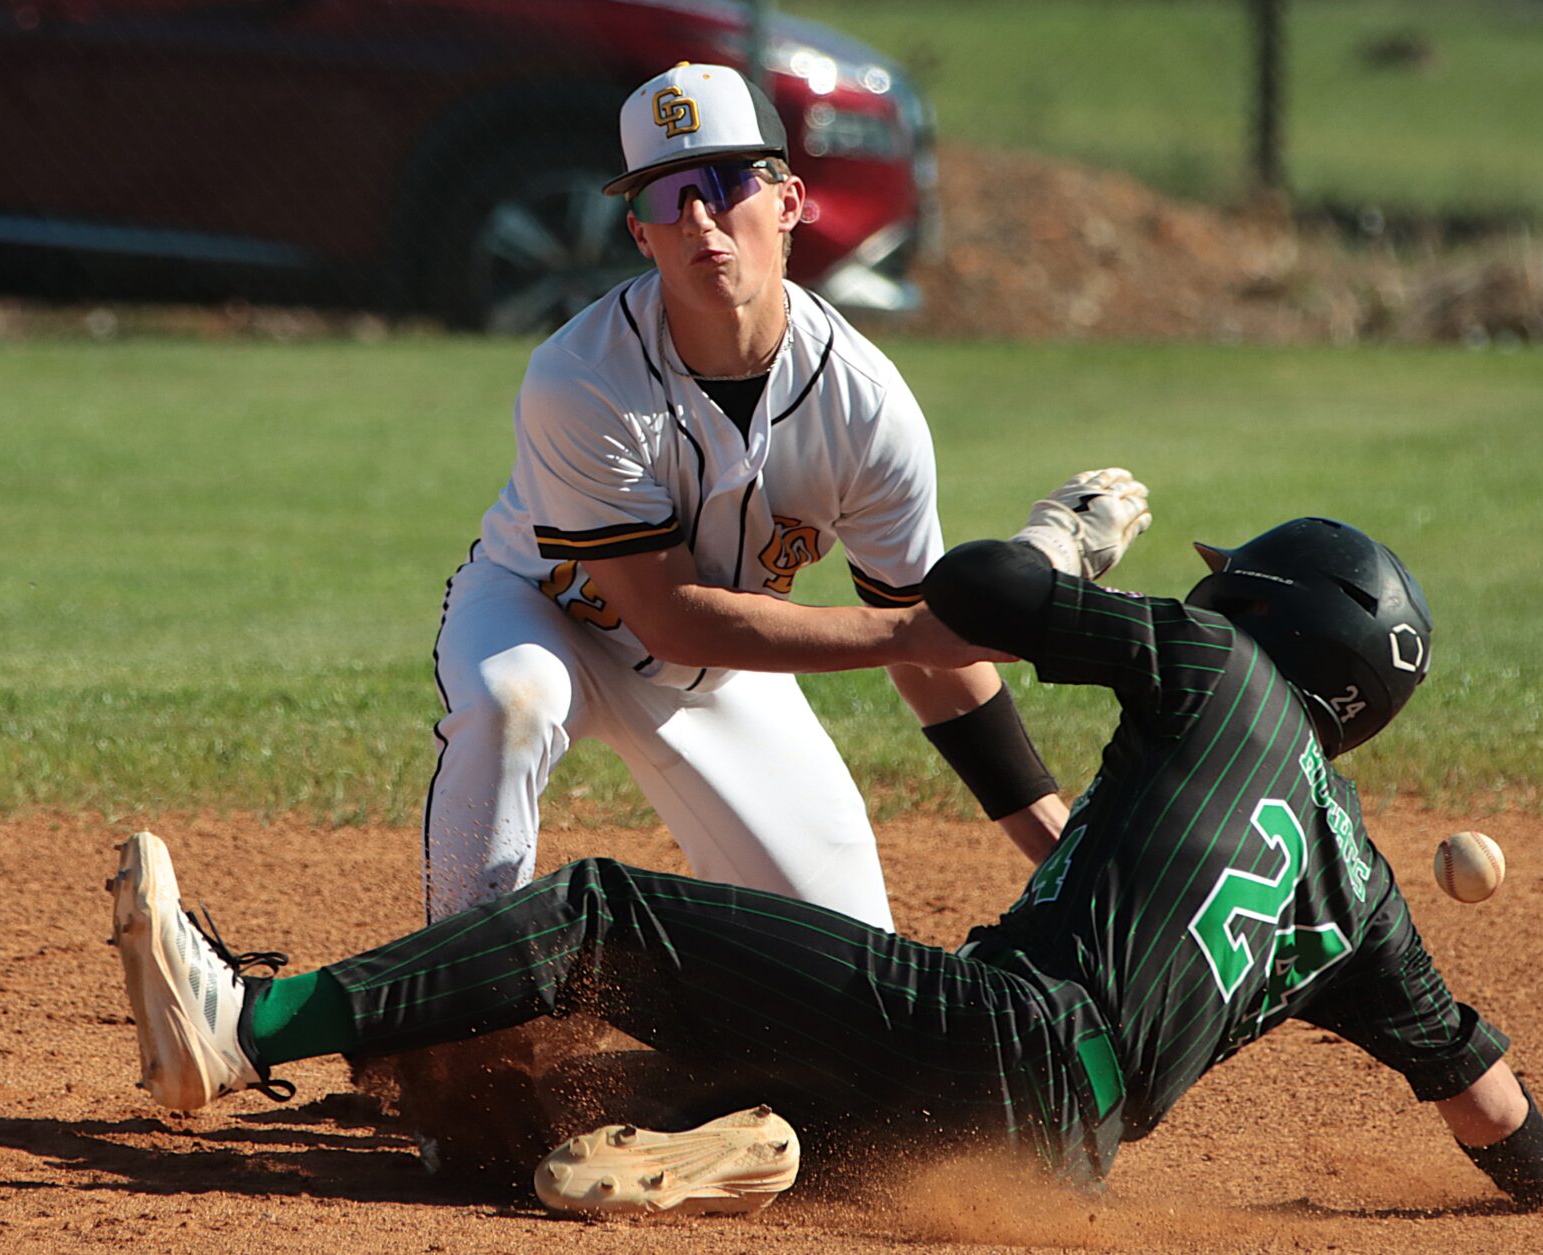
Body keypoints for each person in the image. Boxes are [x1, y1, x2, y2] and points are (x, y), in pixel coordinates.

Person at [109, 508, 1543, 1216]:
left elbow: (967, 593)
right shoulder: (1365, 890)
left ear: (1264, 615)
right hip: (1050, 1156)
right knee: (609, 1090)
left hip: (993, 1033)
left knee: (597, 910)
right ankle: (748, 1142)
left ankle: (242, 1024)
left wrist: (1062, 543)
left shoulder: (1213, 665)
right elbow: (1483, 1095)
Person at [422, 62, 1152, 928]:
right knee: (514, 702)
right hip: (542, 613)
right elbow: (676, 619)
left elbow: (934, 656)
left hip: (724, 667)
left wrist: (1062, 854)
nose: (699, 218)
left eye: (726, 182)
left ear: (789, 202)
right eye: (666, 196)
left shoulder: (865, 406)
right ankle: (453, 984)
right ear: (639, 233)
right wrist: (916, 630)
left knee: (849, 956)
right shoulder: (579, 376)